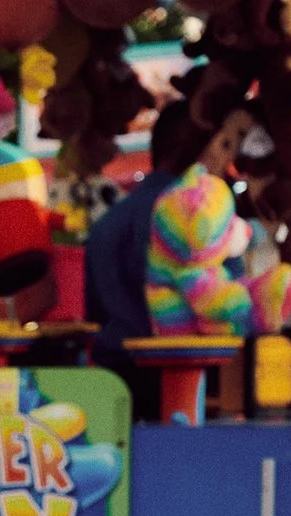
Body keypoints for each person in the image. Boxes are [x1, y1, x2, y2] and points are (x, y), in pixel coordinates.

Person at [86, 100, 250, 362]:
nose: (228, 158)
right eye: (224, 145)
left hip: (113, 377)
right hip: (188, 374)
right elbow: (229, 301)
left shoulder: (107, 223)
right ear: (199, 146)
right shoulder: (206, 216)